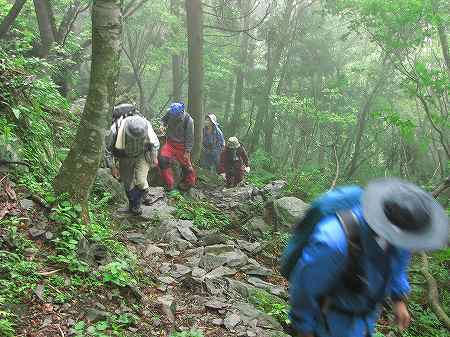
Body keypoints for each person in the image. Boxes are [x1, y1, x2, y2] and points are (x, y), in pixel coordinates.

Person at [288, 178, 449, 337]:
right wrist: (304, 329)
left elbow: (398, 262)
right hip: (328, 322)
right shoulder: (334, 242)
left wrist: (398, 298)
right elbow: (304, 289)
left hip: (365, 321)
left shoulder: (399, 234)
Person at [107, 107, 159, 215]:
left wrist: (154, 157)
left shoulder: (147, 125)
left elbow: (154, 144)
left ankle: (137, 204)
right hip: (125, 156)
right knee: (127, 183)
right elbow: (108, 150)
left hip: (142, 154)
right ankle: (133, 203)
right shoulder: (115, 129)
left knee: (140, 180)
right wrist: (112, 167)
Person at [159, 102, 196, 191]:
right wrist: (162, 125)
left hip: (182, 146)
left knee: (186, 166)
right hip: (170, 143)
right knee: (162, 160)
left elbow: (190, 137)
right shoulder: (170, 112)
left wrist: (187, 152)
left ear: (181, 113)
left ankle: (189, 183)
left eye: (176, 116)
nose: (174, 117)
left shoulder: (188, 120)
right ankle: (169, 183)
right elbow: (163, 120)